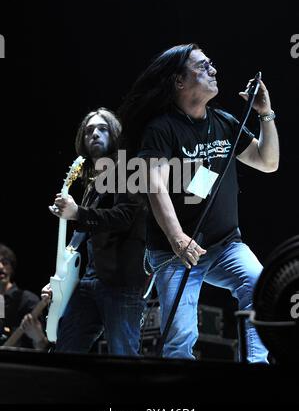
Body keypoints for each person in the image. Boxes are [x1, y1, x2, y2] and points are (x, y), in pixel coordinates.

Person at [118, 43, 279, 362]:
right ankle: (181, 395)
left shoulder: (225, 122)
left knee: (260, 287)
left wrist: (265, 114)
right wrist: (178, 238)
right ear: (179, 81)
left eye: (212, 65)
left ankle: (255, 369)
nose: (214, 70)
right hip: (175, 251)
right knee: (180, 333)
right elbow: (155, 185)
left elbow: (267, 161)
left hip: (225, 245)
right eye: (203, 66)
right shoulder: (162, 129)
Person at [47, 107, 147, 355]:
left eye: (103, 129)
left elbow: (125, 216)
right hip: (89, 281)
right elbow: (83, 235)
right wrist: (59, 280)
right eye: (89, 130)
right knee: (65, 351)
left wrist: (78, 213)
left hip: (121, 282)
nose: (94, 134)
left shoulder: (128, 168)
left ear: (114, 135)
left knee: (122, 356)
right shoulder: (94, 183)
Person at [0, 243, 48, 349]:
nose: (0, 267)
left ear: (11, 268)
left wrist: (38, 337)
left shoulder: (28, 300)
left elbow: (43, 348)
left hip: (20, 364)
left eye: (5, 262)